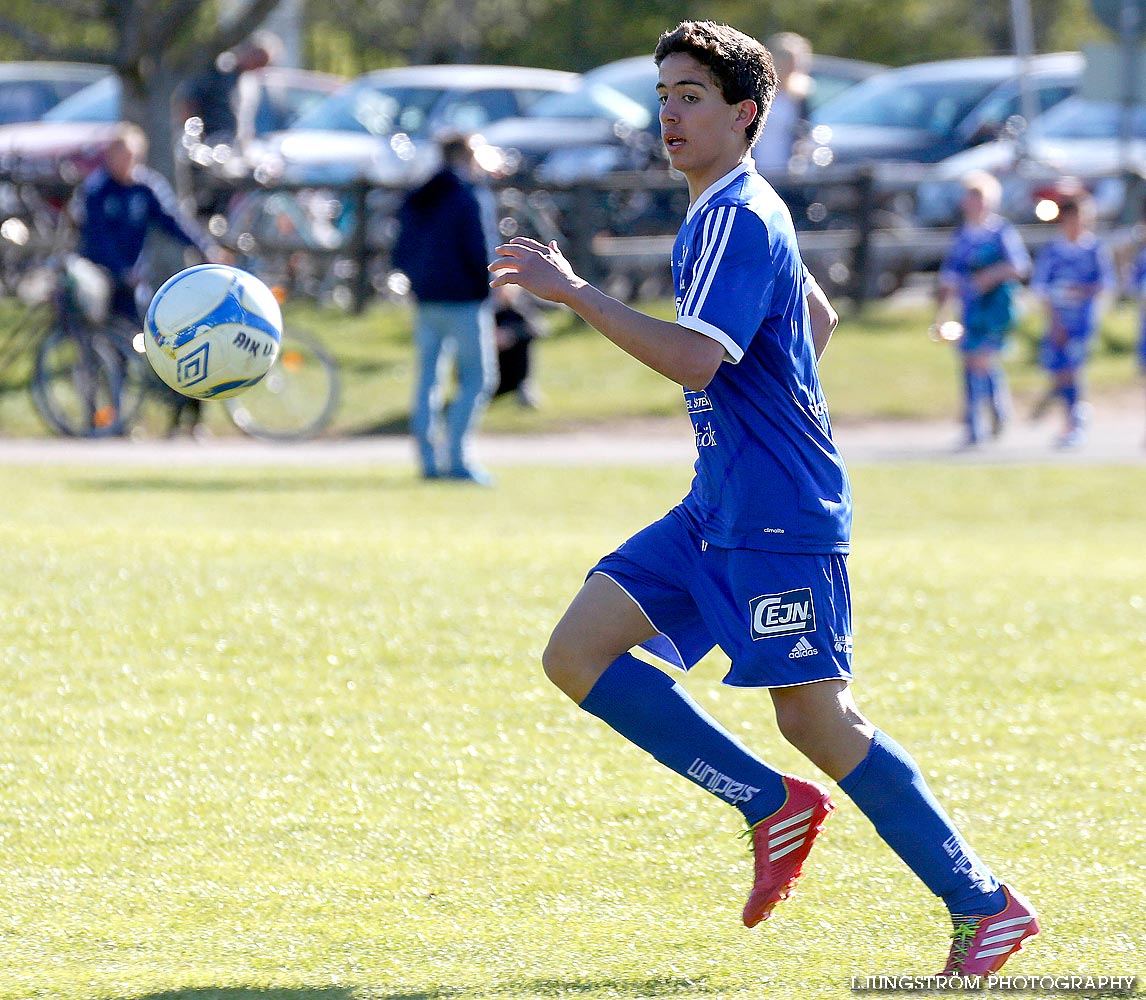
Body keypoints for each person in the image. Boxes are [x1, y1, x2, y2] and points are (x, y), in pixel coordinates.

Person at [489, 20, 1038, 977]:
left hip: (780, 515)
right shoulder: (729, 207)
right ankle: (768, 804)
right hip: (720, 504)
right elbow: (812, 319)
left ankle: (984, 905)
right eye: (664, 95)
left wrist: (574, 293)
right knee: (578, 653)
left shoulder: (737, 214)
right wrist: (766, 413)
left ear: (747, 115)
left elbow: (698, 360)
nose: (671, 113)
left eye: (692, 97)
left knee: (816, 718)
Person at [73, 122, 224, 434]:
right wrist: (119, 270)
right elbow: (96, 240)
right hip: (102, 281)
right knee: (103, 355)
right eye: (119, 155)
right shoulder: (97, 190)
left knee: (148, 345)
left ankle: (173, 417)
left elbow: (173, 221)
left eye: (131, 156)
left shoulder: (146, 188)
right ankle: (106, 418)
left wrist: (205, 248)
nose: (125, 163)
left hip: (132, 284)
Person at [393, 132, 499, 484]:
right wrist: (491, 289)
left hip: (426, 299)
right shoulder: (468, 194)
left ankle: (428, 459)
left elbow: (401, 248)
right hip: (464, 300)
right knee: (478, 378)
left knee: (428, 380)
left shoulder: (422, 193)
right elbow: (478, 247)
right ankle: (456, 457)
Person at [933, 170, 1031, 448]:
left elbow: (1019, 266)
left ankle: (984, 419)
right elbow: (950, 277)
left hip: (996, 308)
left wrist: (991, 276)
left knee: (982, 359)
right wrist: (942, 314)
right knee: (970, 361)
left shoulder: (1001, 233)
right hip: (970, 309)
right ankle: (988, 415)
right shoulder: (962, 236)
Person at [1029, 191, 1116, 449]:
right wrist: (1054, 319)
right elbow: (1040, 289)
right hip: (1057, 321)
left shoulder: (1095, 249)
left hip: (1082, 322)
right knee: (1060, 371)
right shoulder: (1053, 251)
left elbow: (1105, 284)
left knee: (1073, 370)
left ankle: (1074, 421)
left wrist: (1082, 292)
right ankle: (1073, 411)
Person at [178, 32, 282, 147]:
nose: (259, 68)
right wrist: (195, 135)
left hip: (228, 142)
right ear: (250, 54)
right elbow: (189, 100)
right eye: (259, 61)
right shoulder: (221, 71)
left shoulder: (247, 81)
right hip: (208, 140)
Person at [751, 31, 811, 177]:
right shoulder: (757, 93)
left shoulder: (799, 98)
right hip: (757, 165)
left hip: (786, 171)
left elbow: (804, 132)